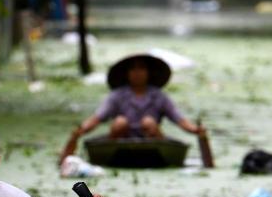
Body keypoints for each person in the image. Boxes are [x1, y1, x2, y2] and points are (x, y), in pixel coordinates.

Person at [73, 53, 204, 140]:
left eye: (141, 68)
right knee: (120, 122)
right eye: (133, 69)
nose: (137, 73)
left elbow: (179, 119)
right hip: (123, 138)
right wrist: (81, 129)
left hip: (151, 139)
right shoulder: (117, 96)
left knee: (149, 122)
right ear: (127, 73)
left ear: (148, 72)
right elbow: (97, 118)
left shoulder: (159, 96)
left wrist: (195, 130)